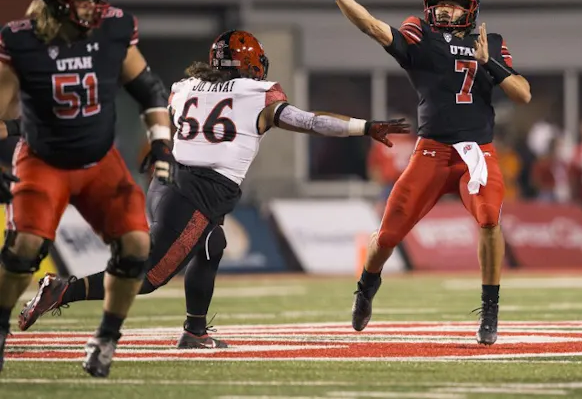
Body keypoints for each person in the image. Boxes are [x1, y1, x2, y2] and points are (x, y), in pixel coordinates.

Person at [18, 30, 409, 348]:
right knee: (150, 277)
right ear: (252, 66)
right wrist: (365, 126)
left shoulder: (184, 86)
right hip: (198, 190)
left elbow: (170, 124)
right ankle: (62, 290)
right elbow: (309, 121)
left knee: (212, 245)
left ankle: (194, 330)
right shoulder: (258, 93)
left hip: (169, 182)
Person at [308, 0, 531, 345]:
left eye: (453, 4)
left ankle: (489, 308)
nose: (444, 10)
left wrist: (488, 62)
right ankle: (366, 286)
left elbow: (523, 94)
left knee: (490, 219)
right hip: (431, 152)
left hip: (476, 151)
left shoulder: (489, 41)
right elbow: (372, 26)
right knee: (389, 235)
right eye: (440, 3)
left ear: (470, 10)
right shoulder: (421, 34)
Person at [0, 0, 175, 377]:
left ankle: (106, 338)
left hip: (100, 160)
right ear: (57, 0)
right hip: (44, 160)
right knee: (24, 248)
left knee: (136, 245)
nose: (93, 8)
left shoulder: (113, 28)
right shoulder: (21, 40)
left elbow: (149, 88)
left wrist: (161, 143)